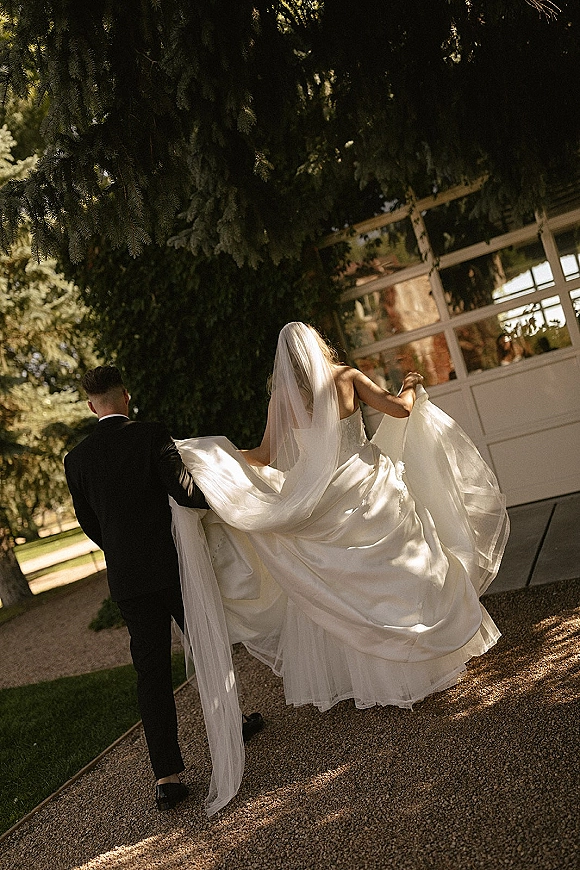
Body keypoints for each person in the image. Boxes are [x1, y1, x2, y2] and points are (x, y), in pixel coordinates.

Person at [170, 322, 510, 815]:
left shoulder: (281, 402)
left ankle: (368, 678)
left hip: (323, 499)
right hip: (370, 487)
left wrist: (218, 464)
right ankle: (423, 658)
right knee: (404, 570)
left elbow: (264, 456)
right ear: (319, 347)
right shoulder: (349, 377)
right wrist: (412, 386)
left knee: (338, 588)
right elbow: (401, 410)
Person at [64, 366, 263, 814]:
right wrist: (228, 494)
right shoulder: (150, 434)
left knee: (149, 671)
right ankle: (233, 724)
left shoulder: (75, 460)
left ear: (92, 404)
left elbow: (92, 526)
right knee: (207, 642)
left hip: (128, 578)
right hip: (174, 566)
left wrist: (123, 549)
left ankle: (167, 777)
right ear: (126, 396)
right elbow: (185, 492)